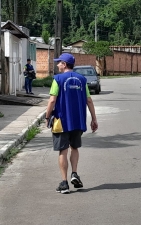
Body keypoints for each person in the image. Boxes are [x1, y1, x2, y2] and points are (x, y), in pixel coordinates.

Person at [46, 53, 98, 194]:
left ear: (64, 64)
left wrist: (47, 116)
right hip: (78, 120)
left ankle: (64, 183)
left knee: (63, 150)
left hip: (62, 121)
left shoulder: (58, 79)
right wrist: (94, 119)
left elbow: (52, 100)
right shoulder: (82, 80)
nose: (57, 65)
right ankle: (74, 173)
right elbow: (89, 100)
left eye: (59, 63)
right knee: (74, 147)